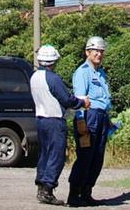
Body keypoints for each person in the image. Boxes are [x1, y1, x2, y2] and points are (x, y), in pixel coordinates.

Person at [31, 44, 90, 206]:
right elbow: (67, 99)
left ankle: (41, 187)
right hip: (54, 120)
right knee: (57, 155)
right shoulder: (53, 78)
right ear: (53, 60)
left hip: (41, 119)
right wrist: (82, 102)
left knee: (44, 154)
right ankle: (48, 189)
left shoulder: (34, 76)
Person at [68, 36, 113, 207]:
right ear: (87, 52)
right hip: (88, 116)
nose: (99, 54)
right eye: (96, 51)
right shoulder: (82, 72)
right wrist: (81, 123)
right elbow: (80, 100)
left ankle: (87, 192)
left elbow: (105, 98)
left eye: (101, 51)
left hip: (101, 116)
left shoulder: (101, 73)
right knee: (85, 156)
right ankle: (74, 194)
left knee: (97, 157)